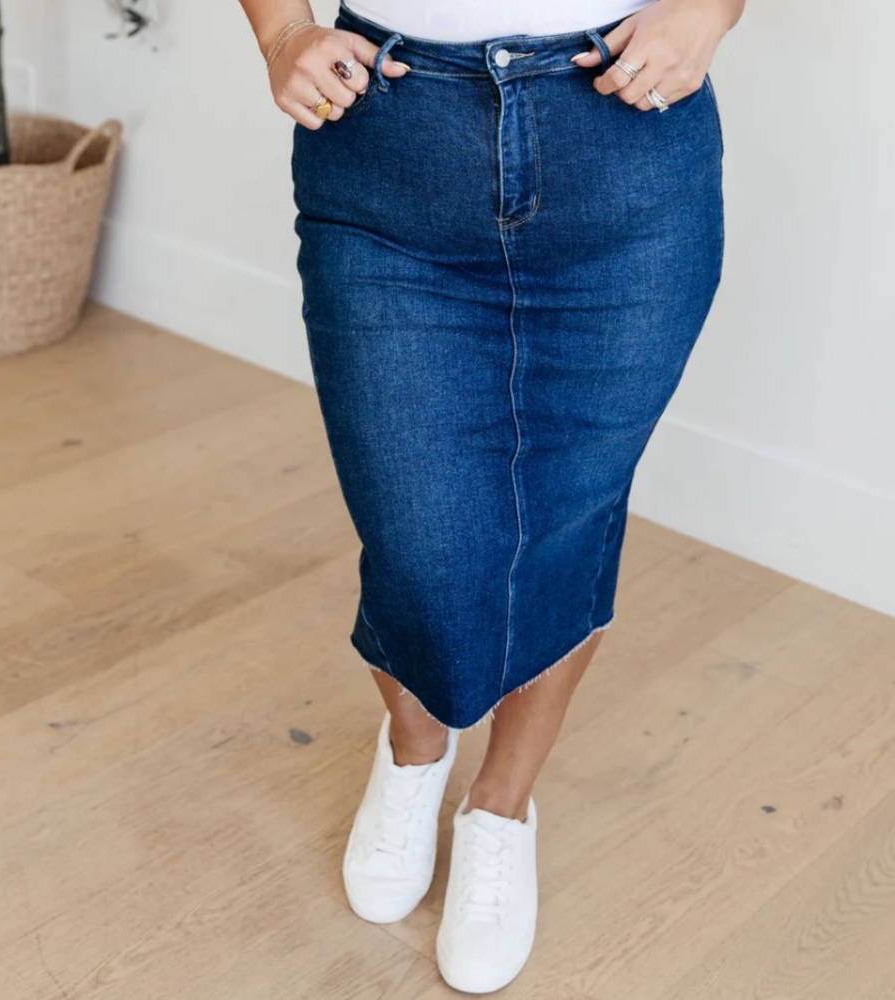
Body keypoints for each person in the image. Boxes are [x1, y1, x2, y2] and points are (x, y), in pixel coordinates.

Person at [238, 0, 745, 991]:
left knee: (566, 519)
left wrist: (709, 10)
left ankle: (500, 806)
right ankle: (415, 751)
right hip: (387, 140)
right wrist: (277, 32)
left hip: (624, 141)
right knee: (418, 539)